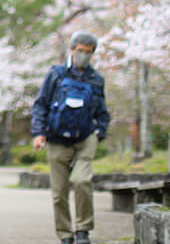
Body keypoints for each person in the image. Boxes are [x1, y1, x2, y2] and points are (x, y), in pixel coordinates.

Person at [30, 32, 111, 244]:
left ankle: (83, 230)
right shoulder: (56, 74)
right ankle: (65, 234)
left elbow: (102, 111)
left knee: (81, 180)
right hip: (56, 138)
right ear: (72, 50)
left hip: (85, 138)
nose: (83, 55)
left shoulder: (96, 79)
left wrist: (99, 132)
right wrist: (38, 133)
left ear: (93, 54)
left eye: (88, 52)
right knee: (59, 192)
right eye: (80, 51)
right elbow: (41, 104)